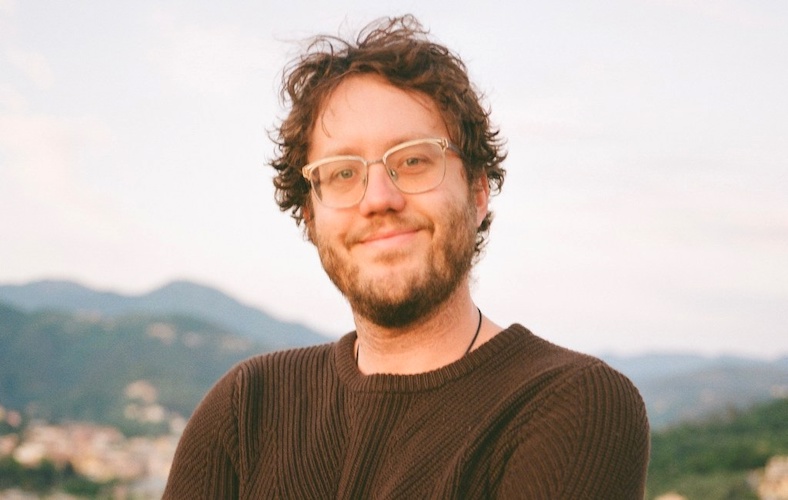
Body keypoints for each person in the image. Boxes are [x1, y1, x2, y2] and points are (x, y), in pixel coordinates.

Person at [163, 15, 650, 499]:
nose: (378, 199)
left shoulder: (572, 404)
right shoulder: (246, 409)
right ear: (310, 216)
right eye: (342, 173)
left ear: (478, 192)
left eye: (413, 160)